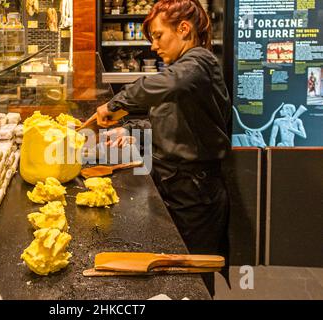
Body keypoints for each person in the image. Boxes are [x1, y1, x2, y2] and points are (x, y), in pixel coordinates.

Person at [95, 0, 232, 297]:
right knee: (175, 273)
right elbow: (175, 124)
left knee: (192, 279)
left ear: (184, 29)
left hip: (195, 194)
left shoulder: (198, 63)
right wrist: (131, 128)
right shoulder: (184, 71)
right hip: (176, 185)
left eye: (158, 36)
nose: (154, 46)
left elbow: (164, 87)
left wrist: (116, 104)